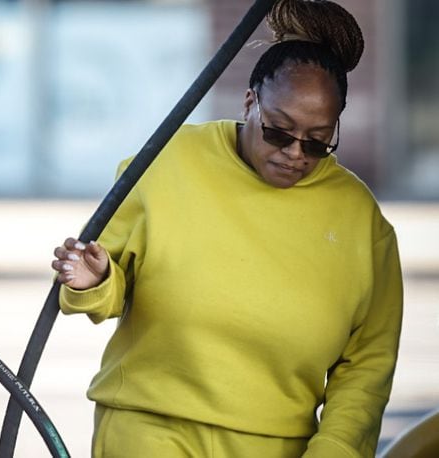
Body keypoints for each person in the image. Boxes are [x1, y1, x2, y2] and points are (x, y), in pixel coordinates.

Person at [50, 1, 403, 456]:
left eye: (318, 141)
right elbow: (107, 285)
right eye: (278, 131)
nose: (295, 153)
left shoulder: (362, 222)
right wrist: (96, 280)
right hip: (148, 427)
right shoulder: (167, 162)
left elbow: (367, 368)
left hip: (277, 446)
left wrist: (334, 450)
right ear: (250, 101)